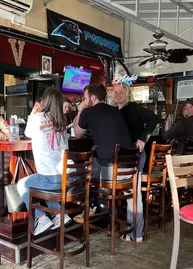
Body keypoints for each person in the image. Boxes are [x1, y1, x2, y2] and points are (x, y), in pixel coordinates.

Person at [74, 83, 144, 243]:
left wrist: (80, 109)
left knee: (80, 175)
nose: (84, 101)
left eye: (85, 98)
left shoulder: (87, 111)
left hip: (112, 172)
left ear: (92, 97)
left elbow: (77, 134)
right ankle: (137, 234)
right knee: (133, 195)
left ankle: (91, 212)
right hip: (131, 165)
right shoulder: (115, 110)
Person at [17, 87, 70, 236]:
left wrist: (33, 113)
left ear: (44, 102)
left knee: (23, 184)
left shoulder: (39, 117)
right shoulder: (63, 122)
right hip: (65, 180)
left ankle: (41, 219)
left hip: (50, 181)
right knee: (43, 184)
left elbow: (27, 133)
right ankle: (60, 214)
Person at [111, 82, 158, 242]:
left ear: (127, 93)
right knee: (129, 193)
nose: (117, 95)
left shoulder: (133, 107)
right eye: (115, 92)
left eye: (120, 92)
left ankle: (136, 233)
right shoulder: (114, 111)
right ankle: (130, 229)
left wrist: (143, 137)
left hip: (135, 155)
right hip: (123, 157)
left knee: (133, 193)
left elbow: (154, 118)